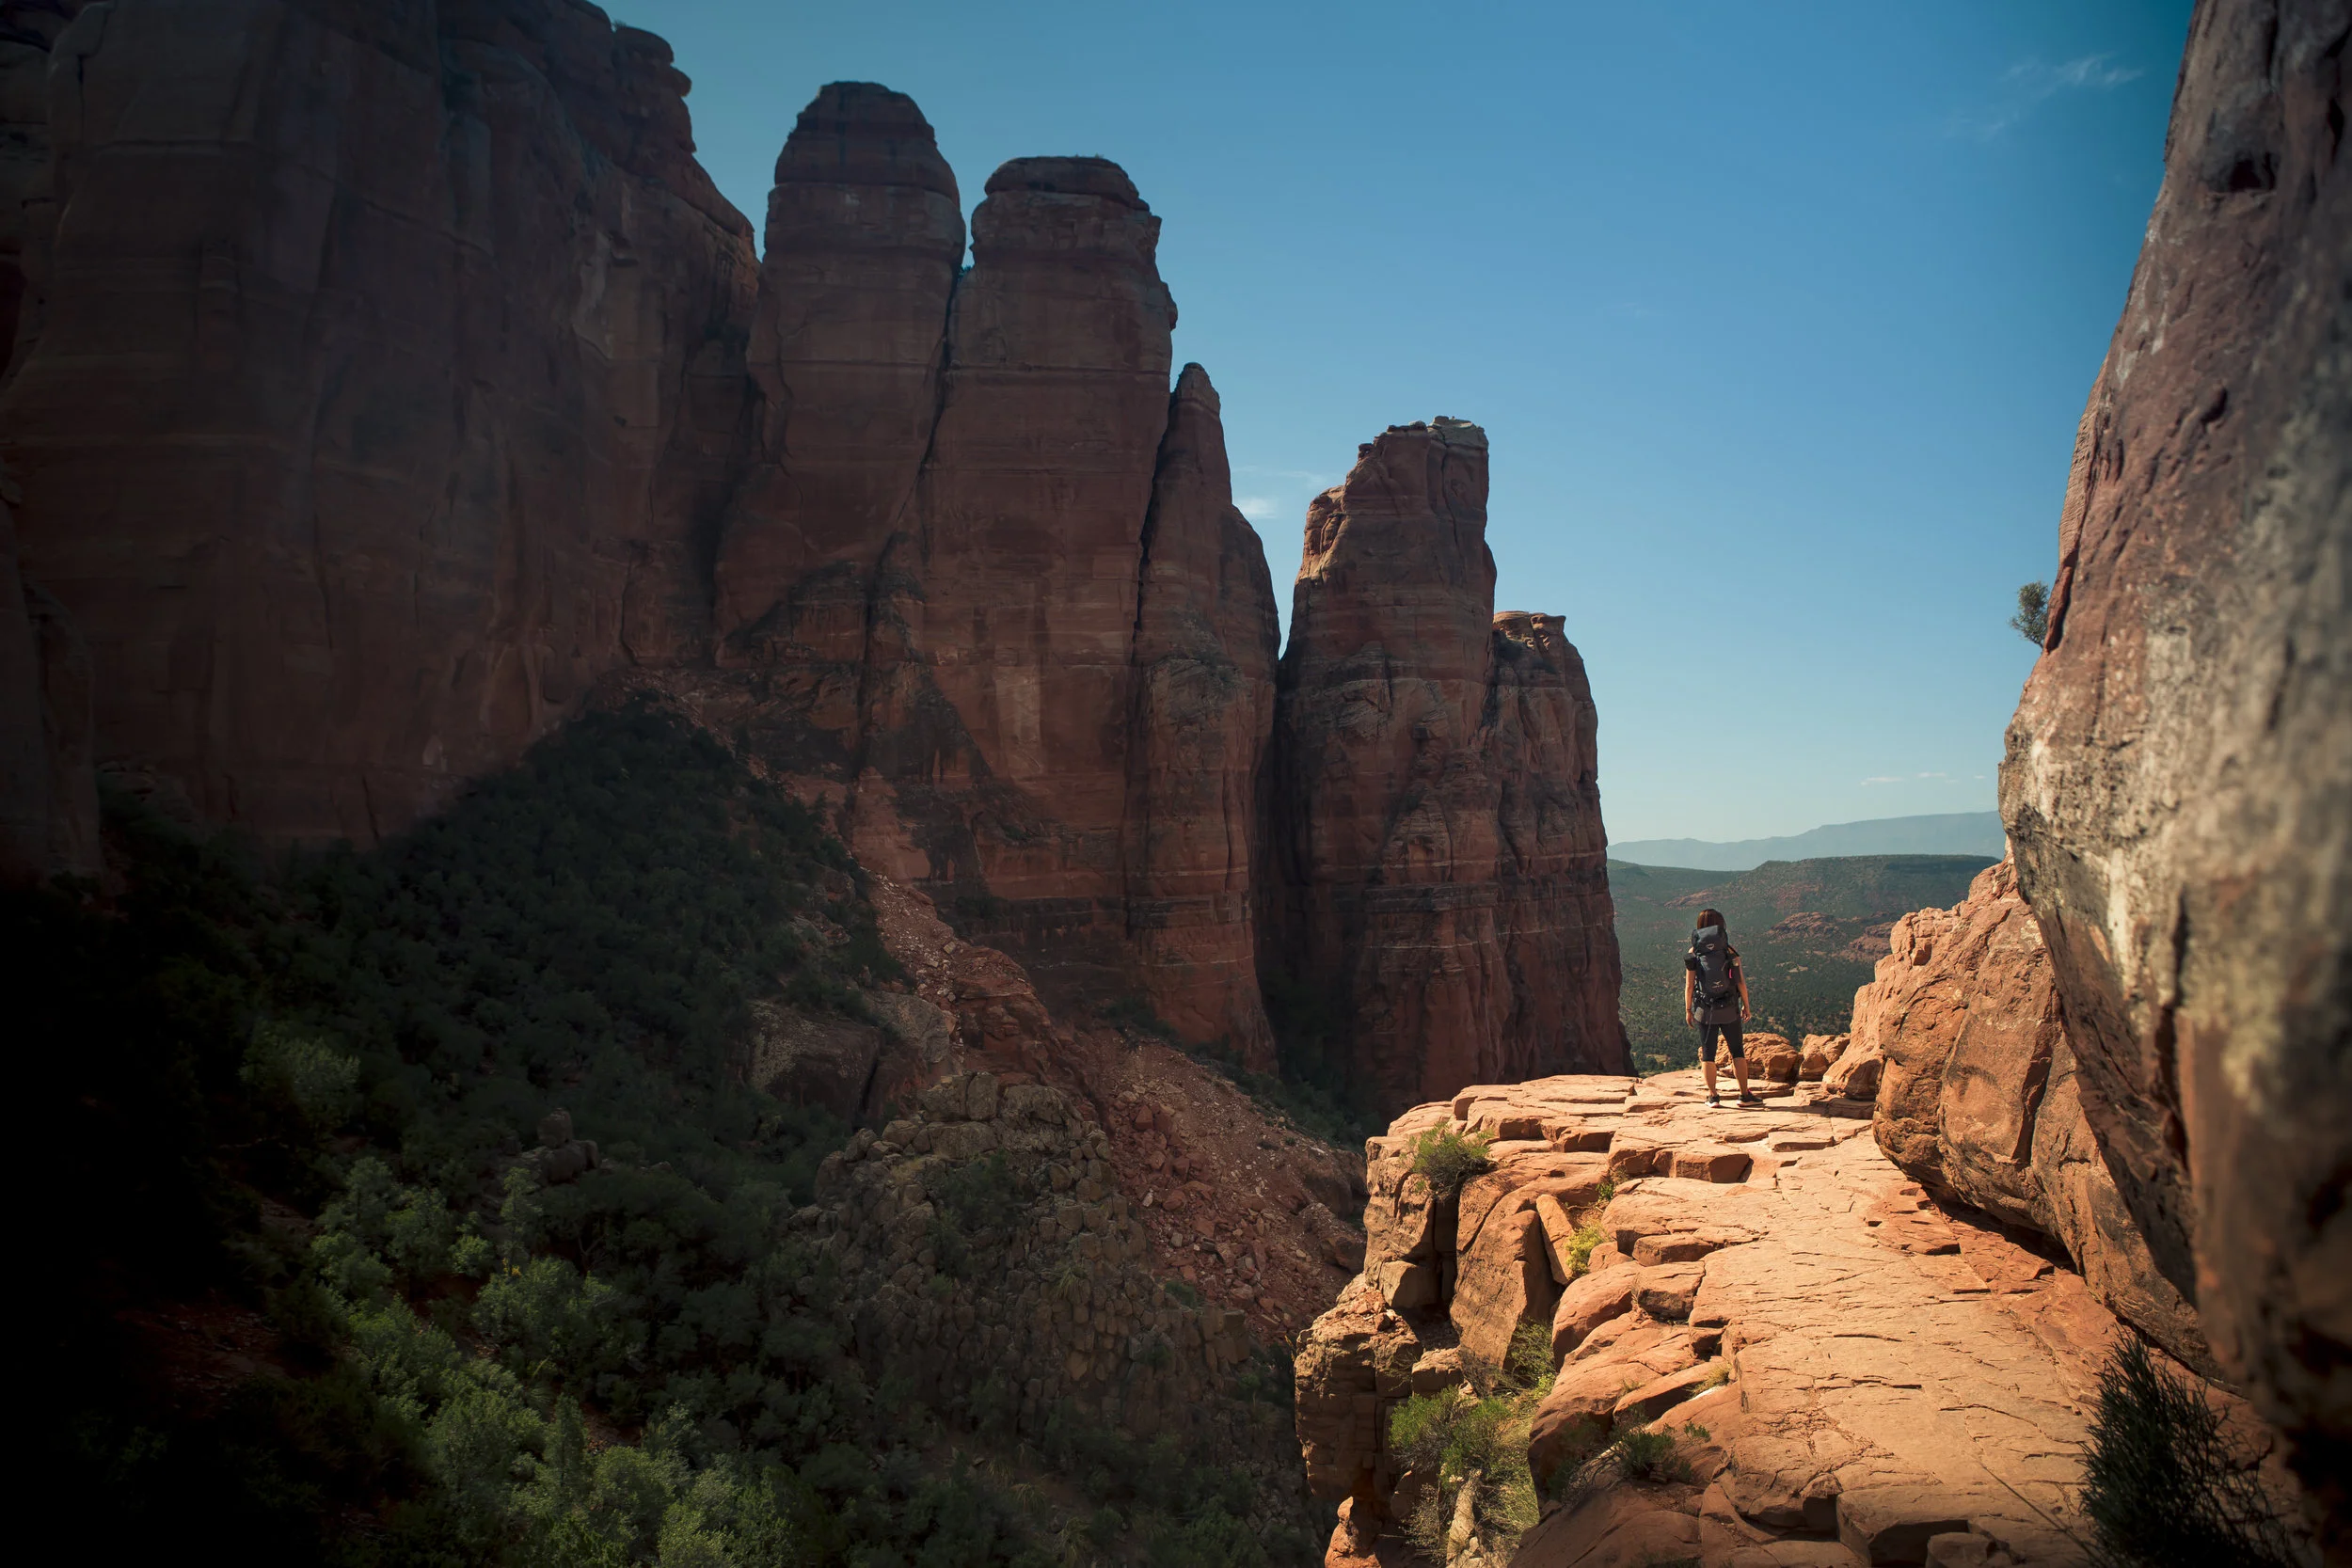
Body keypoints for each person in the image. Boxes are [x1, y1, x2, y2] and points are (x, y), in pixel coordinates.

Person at [1684, 907, 1759, 1107]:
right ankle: (1744, 1095)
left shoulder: (1694, 953)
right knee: (1737, 1051)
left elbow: (1689, 985)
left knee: (1708, 1054)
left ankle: (1713, 1096)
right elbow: (1740, 982)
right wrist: (1746, 1006)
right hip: (1729, 1008)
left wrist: (1688, 1010)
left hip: (1704, 1010)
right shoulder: (1730, 951)